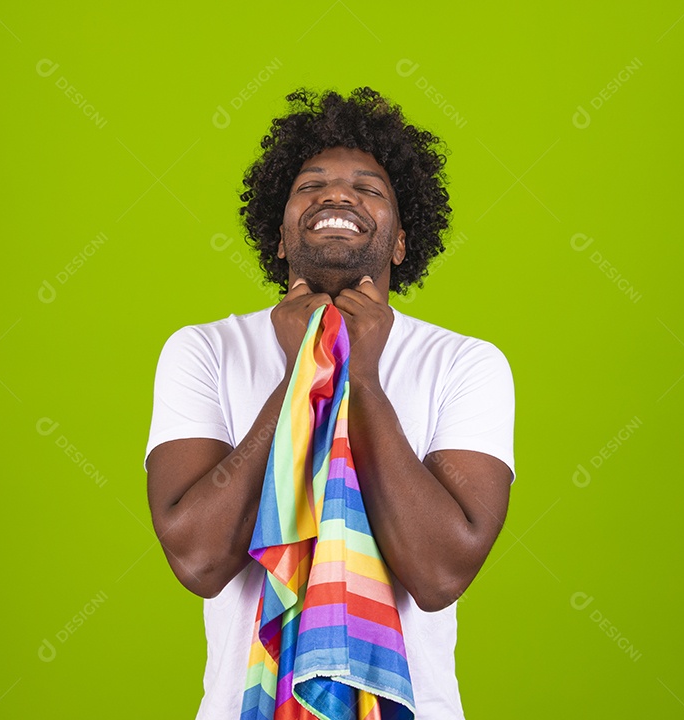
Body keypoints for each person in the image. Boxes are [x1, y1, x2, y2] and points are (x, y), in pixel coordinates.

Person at [144, 87, 515, 719]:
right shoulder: (203, 350)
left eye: (369, 189)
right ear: (281, 236)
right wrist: (299, 374)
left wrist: (361, 379)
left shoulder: (466, 363)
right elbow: (200, 559)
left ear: (401, 242)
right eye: (310, 186)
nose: (337, 195)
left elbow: (439, 574)